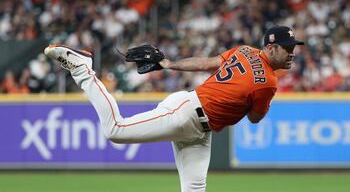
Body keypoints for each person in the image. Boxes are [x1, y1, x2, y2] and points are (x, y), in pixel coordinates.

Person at [44, 25, 304, 192]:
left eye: (294, 48)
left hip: (200, 131)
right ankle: (82, 68)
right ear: (270, 47)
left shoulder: (245, 50)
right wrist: (258, 100)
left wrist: (169, 64)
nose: (292, 53)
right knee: (115, 129)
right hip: (187, 112)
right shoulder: (268, 81)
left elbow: (206, 63)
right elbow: (256, 118)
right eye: (288, 48)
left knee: (194, 188)